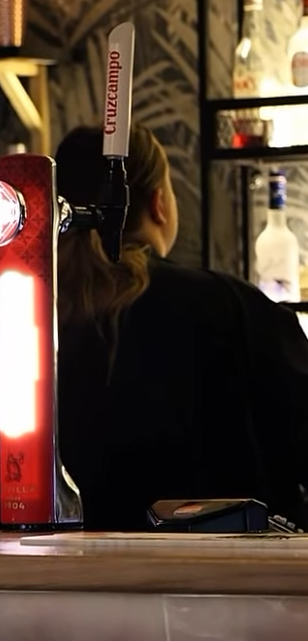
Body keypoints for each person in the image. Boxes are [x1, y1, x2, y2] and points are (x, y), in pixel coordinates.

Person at [55, 124, 308, 530]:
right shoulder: (233, 309)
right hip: (228, 581)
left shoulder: (13, 323)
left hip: (37, 581)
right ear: (159, 204)